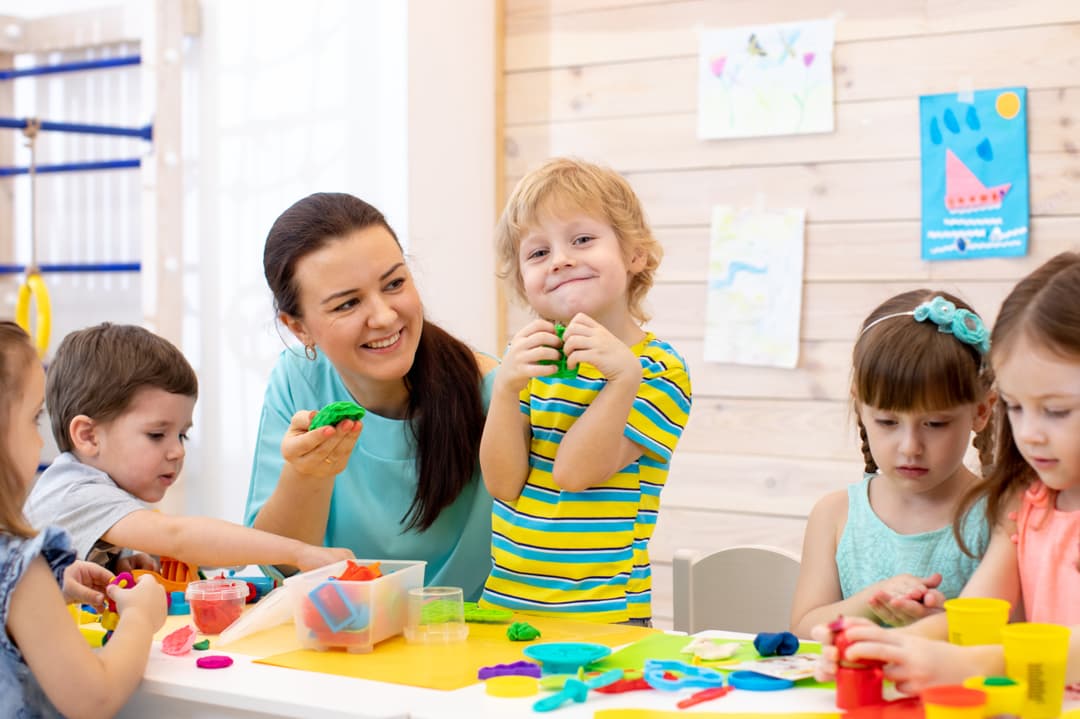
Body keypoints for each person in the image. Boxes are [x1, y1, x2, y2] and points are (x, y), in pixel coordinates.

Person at [813, 252, 1080, 694]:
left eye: (1054, 410)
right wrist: (881, 648)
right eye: (1016, 406)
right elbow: (976, 612)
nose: (1029, 434)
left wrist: (970, 661)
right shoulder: (1028, 506)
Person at [245, 192, 499, 600]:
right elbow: (282, 565)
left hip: (471, 641)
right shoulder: (298, 380)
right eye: (347, 304)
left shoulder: (495, 391)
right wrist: (307, 474)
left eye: (395, 283)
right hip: (342, 635)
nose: (383, 317)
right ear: (299, 328)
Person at [478, 157, 692, 625]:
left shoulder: (658, 370)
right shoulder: (526, 355)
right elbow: (502, 483)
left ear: (635, 254)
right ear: (523, 284)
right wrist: (505, 387)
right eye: (537, 253)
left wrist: (622, 381)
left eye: (582, 240)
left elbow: (575, 473)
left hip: (605, 614)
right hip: (507, 606)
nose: (561, 259)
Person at [25, 323, 352, 573]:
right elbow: (178, 536)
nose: (177, 452)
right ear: (88, 436)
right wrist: (298, 552)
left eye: (182, 435)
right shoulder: (75, 492)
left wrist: (120, 566)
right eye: (156, 435)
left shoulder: (99, 496)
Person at [790, 291, 995, 637]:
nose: (910, 447)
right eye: (887, 422)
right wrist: (873, 599)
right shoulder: (835, 514)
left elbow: (1015, 632)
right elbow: (803, 631)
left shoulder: (1000, 515)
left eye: (935, 424)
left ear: (980, 411)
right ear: (861, 407)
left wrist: (939, 624)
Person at [1, 321, 167, 718]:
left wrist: (52, 590)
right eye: (33, 418)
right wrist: (140, 618)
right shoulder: (19, 565)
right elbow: (96, 698)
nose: (42, 441)